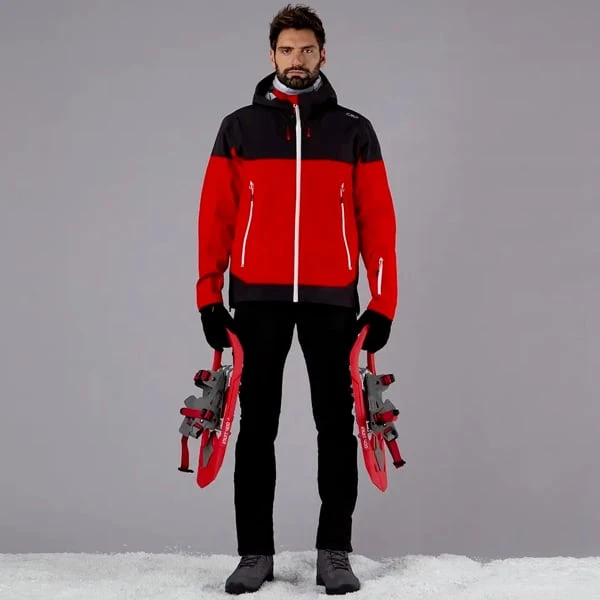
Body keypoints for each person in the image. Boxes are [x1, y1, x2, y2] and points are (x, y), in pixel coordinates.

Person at [196, 3, 397, 595]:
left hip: (332, 299)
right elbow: (215, 215)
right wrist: (209, 295)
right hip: (257, 298)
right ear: (272, 56)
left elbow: (378, 220)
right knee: (256, 426)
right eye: (287, 50)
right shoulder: (239, 127)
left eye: (307, 49)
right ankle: (254, 554)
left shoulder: (353, 129)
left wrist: (382, 300)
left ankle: (334, 551)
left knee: (336, 425)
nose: (297, 59)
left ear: (323, 54)